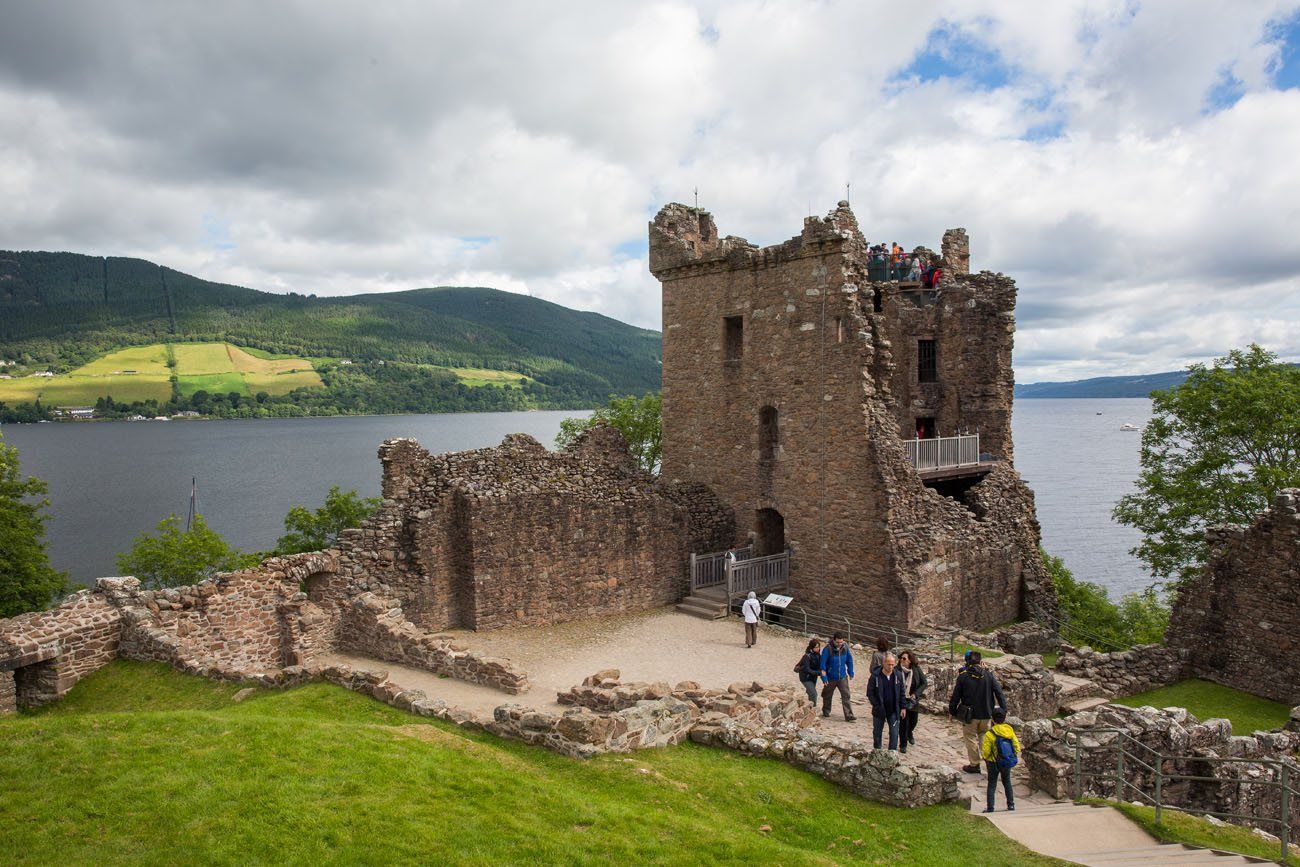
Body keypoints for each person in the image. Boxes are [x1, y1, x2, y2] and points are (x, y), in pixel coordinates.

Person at [947, 650, 1007, 774]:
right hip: (986, 713)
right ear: (980, 661)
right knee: (984, 737)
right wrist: (1003, 710)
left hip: (970, 715)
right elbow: (999, 692)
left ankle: (974, 764)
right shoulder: (988, 675)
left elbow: (956, 696)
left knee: (970, 738)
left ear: (967, 661)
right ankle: (990, 761)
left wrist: (952, 711)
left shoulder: (963, 676)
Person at [981, 707, 1021, 812]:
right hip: (1006, 761)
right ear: (1004, 718)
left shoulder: (990, 734)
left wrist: (986, 758)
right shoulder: (1009, 731)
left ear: (992, 719)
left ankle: (990, 807)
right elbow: (1016, 746)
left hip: (993, 762)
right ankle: (1011, 805)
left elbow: (986, 751)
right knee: (1007, 782)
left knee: (992, 784)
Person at [867, 651, 905, 750]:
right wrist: (876, 705)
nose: (891, 667)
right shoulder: (875, 676)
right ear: (883, 663)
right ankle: (877, 751)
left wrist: (903, 707)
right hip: (879, 709)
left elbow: (902, 692)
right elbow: (870, 692)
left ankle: (892, 753)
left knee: (894, 733)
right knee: (877, 733)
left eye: (893, 664)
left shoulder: (898, 676)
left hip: (893, 709)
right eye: (889, 664)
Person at [820, 632, 856, 721]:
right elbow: (822, 665)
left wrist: (850, 672)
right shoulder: (827, 649)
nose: (839, 644)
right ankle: (826, 710)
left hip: (842, 677)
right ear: (833, 640)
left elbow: (849, 660)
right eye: (837, 642)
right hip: (830, 677)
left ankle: (849, 715)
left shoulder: (845, 648)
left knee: (846, 695)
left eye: (841, 642)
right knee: (827, 695)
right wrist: (824, 678)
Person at [897, 649, 927, 751]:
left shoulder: (916, 669)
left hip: (913, 699)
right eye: (901, 658)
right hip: (901, 699)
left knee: (913, 721)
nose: (902, 660)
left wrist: (916, 693)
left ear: (910, 660)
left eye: (904, 658)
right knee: (903, 722)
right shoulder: (897, 670)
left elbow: (924, 683)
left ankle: (910, 732)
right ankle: (903, 744)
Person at [794, 638, 822, 705]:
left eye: (818, 647)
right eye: (816, 647)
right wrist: (819, 673)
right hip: (805, 678)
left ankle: (809, 709)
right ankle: (813, 709)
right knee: (813, 694)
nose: (818, 648)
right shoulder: (807, 656)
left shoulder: (818, 655)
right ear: (812, 648)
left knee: (810, 694)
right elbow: (807, 669)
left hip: (813, 677)